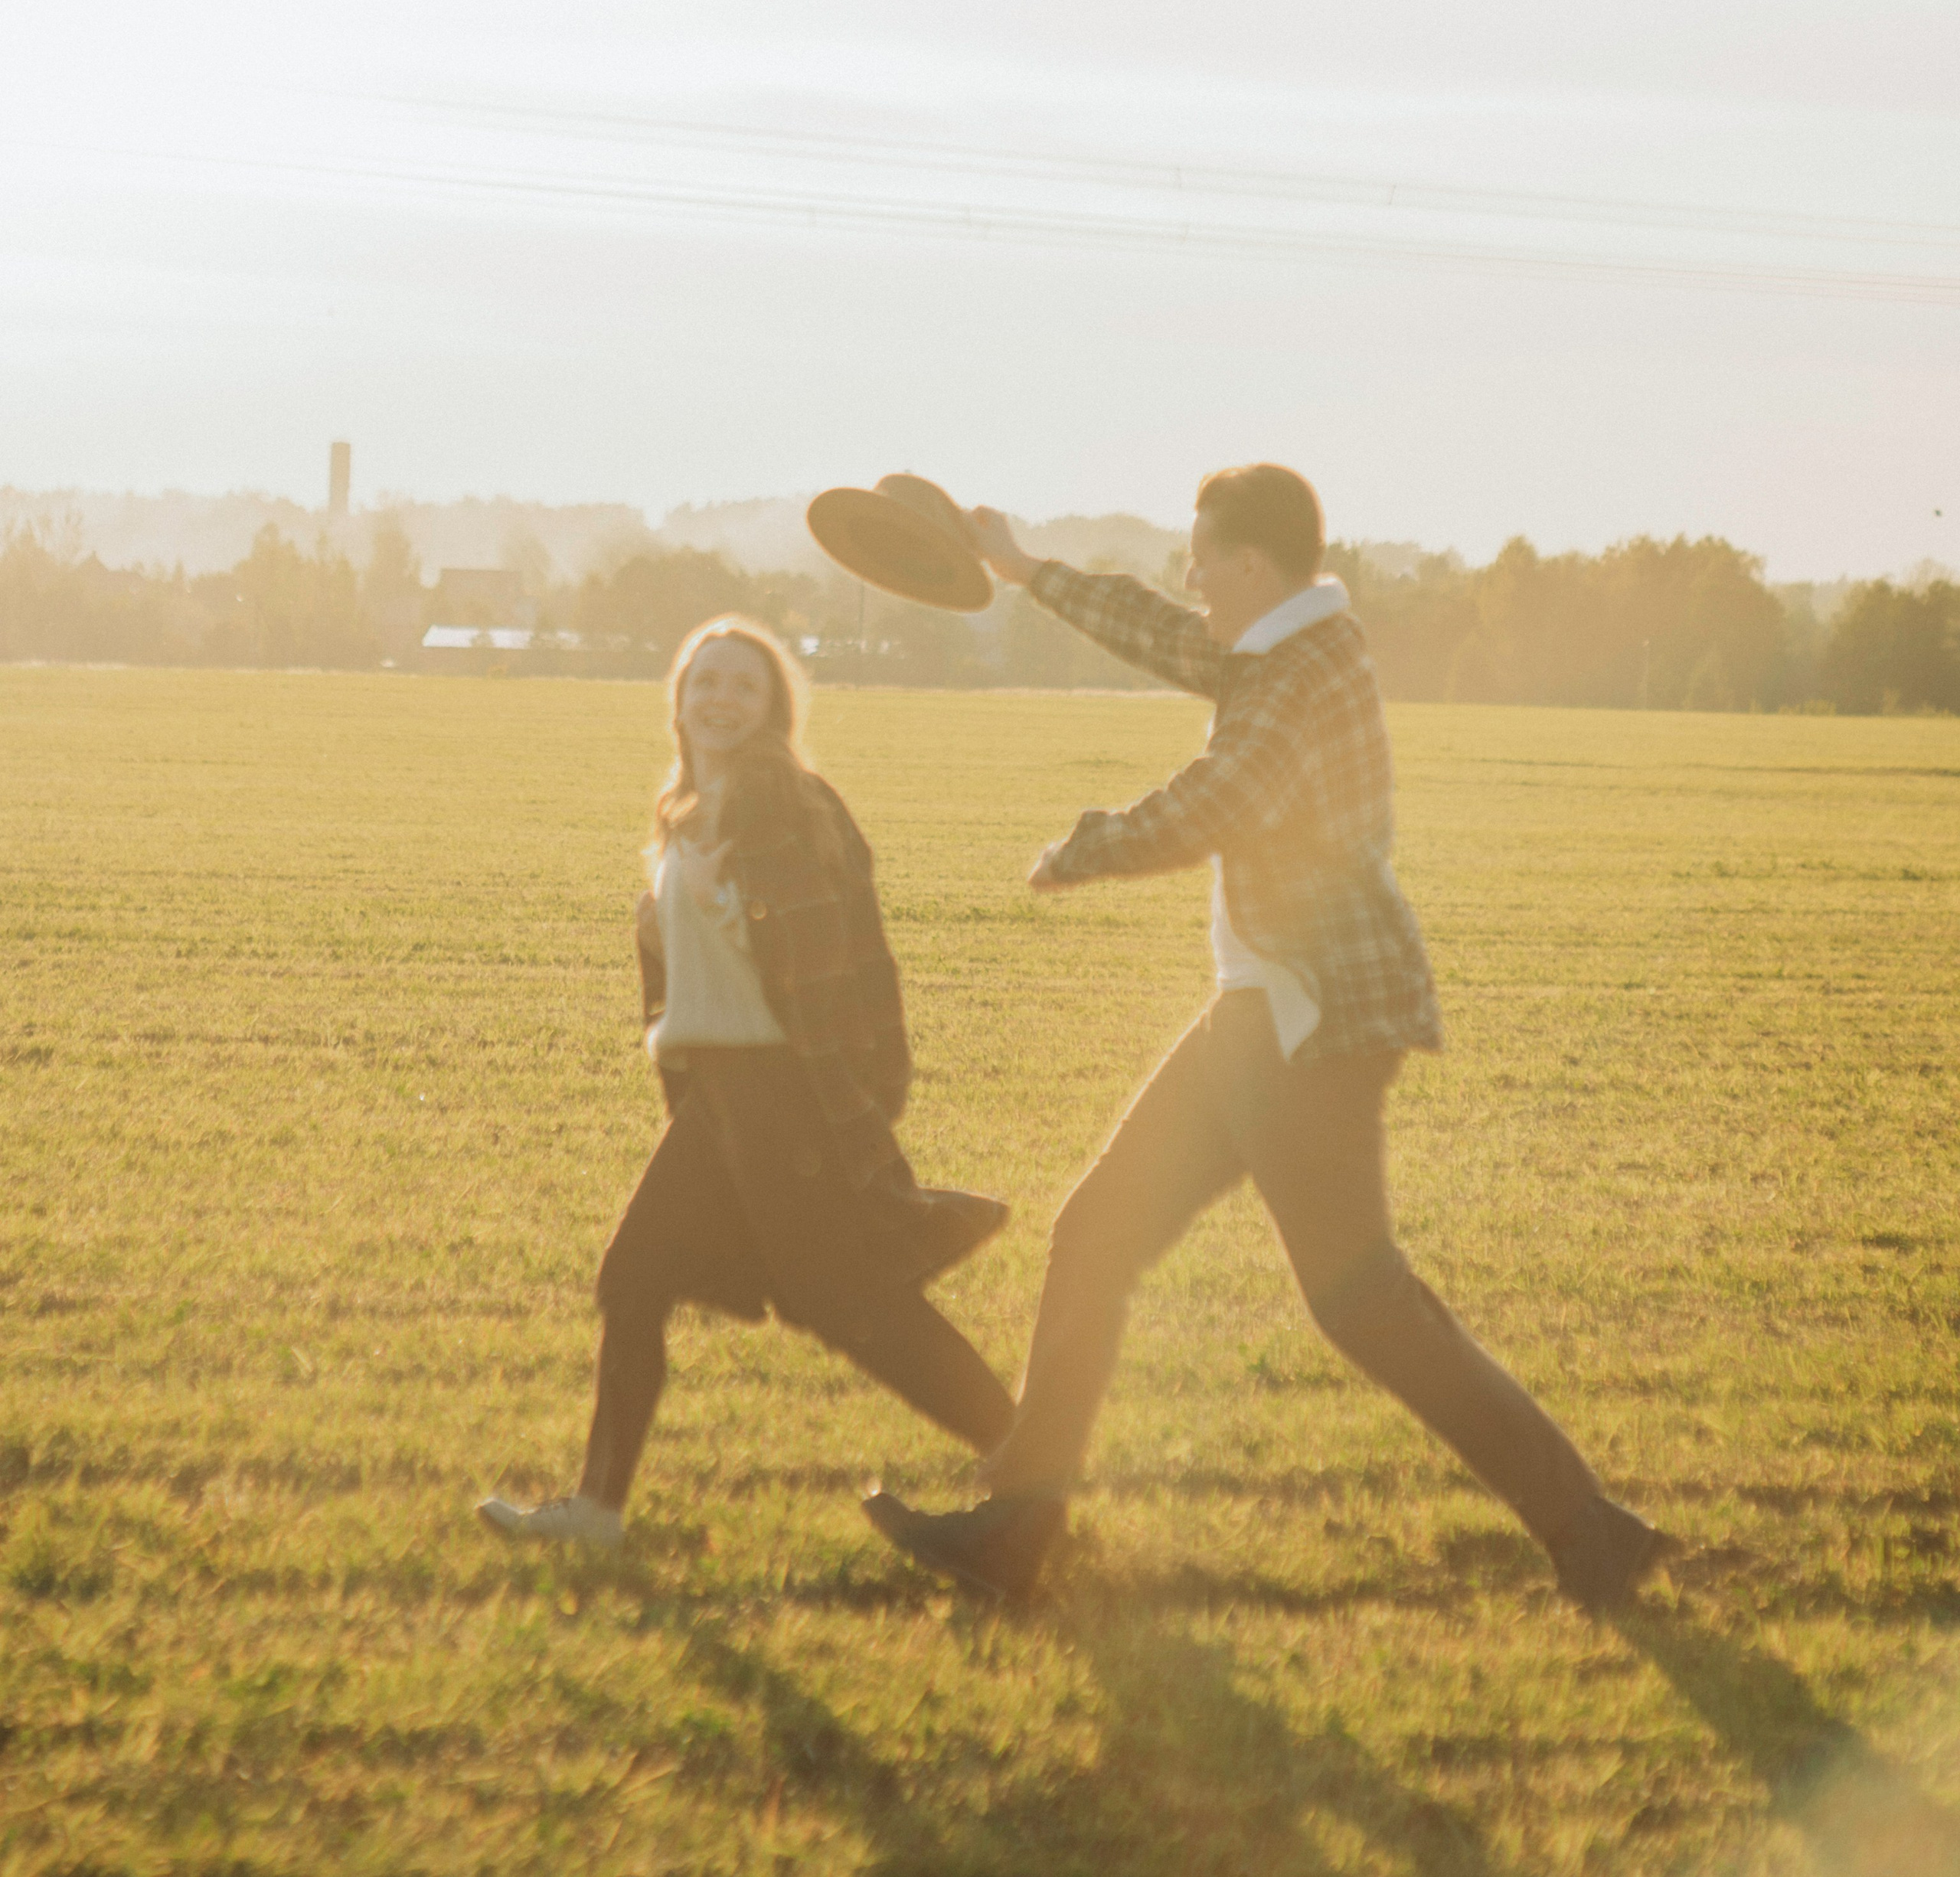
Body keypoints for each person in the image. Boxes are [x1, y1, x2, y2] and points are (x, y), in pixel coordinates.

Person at [864, 465, 1670, 1608]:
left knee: (1360, 1299)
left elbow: (1217, 800)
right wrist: (1026, 567)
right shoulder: (1277, 646)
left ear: (1249, 565)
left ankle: (1589, 1528)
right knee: (1100, 1232)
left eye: (1201, 559)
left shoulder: (1300, 671)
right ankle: (1018, 1530)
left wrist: (1088, 845)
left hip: (1305, 1020)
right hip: (1267, 1010)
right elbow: (1166, 635)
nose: (1188, 578)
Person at [480, 617, 1013, 1548]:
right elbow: (702, 963)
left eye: (743, 686)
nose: (721, 699)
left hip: (780, 1091)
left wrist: (856, 1086)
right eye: (706, 682)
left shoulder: (778, 801)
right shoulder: (689, 804)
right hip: (725, 1093)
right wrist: (661, 933)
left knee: (849, 1305)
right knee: (639, 1277)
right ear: (679, 699)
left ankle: (1028, 1456)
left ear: (770, 709)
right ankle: (598, 1512)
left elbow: (836, 959)